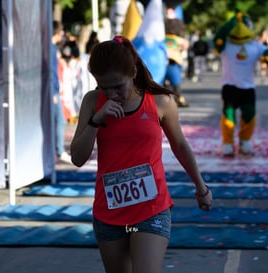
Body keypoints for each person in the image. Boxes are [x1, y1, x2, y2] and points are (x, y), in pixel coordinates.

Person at [70, 35, 212, 273]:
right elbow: (77, 158)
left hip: (151, 208)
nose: (112, 93)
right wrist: (96, 120)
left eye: (118, 86)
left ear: (133, 72)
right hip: (109, 210)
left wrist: (201, 187)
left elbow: (180, 145)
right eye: (104, 86)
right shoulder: (93, 102)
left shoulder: (160, 102)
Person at [213, 12, 268, 156]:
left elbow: (265, 53)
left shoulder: (255, 46)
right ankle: (228, 144)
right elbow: (217, 40)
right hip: (229, 85)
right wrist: (231, 23)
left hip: (248, 87)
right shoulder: (225, 45)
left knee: (249, 115)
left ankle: (244, 142)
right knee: (228, 116)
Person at [52, 21, 71, 163]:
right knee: (59, 120)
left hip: (53, 90)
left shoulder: (52, 49)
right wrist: (53, 92)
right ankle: (59, 150)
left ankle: (57, 149)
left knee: (58, 120)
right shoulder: (51, 49)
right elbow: (51, 72)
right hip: (52, 92)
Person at [164, 11, 190, 107]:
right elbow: (185, 45)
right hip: (173, 61)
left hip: (162, 60)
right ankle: (179, 98)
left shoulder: (162, 37)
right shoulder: (177, 39)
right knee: (176, 82)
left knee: (162, 82)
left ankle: (165, 99)